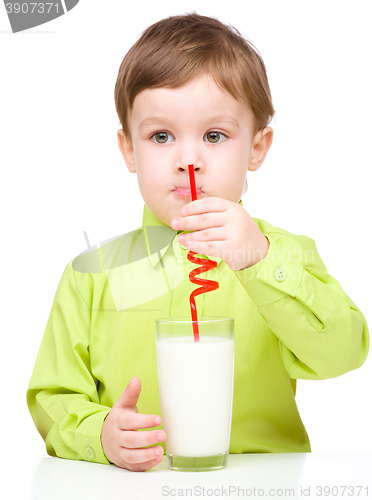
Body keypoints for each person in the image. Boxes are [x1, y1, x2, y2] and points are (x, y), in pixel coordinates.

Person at [27, 12, 369, 472]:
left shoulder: (286, 253)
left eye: (214, 135)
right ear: (129, 149)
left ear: (257, 148)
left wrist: (260, 261)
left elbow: (342, 353)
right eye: (161, 136)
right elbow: (52, 397)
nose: (188, 159)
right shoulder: (91, 273)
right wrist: (100, 434)